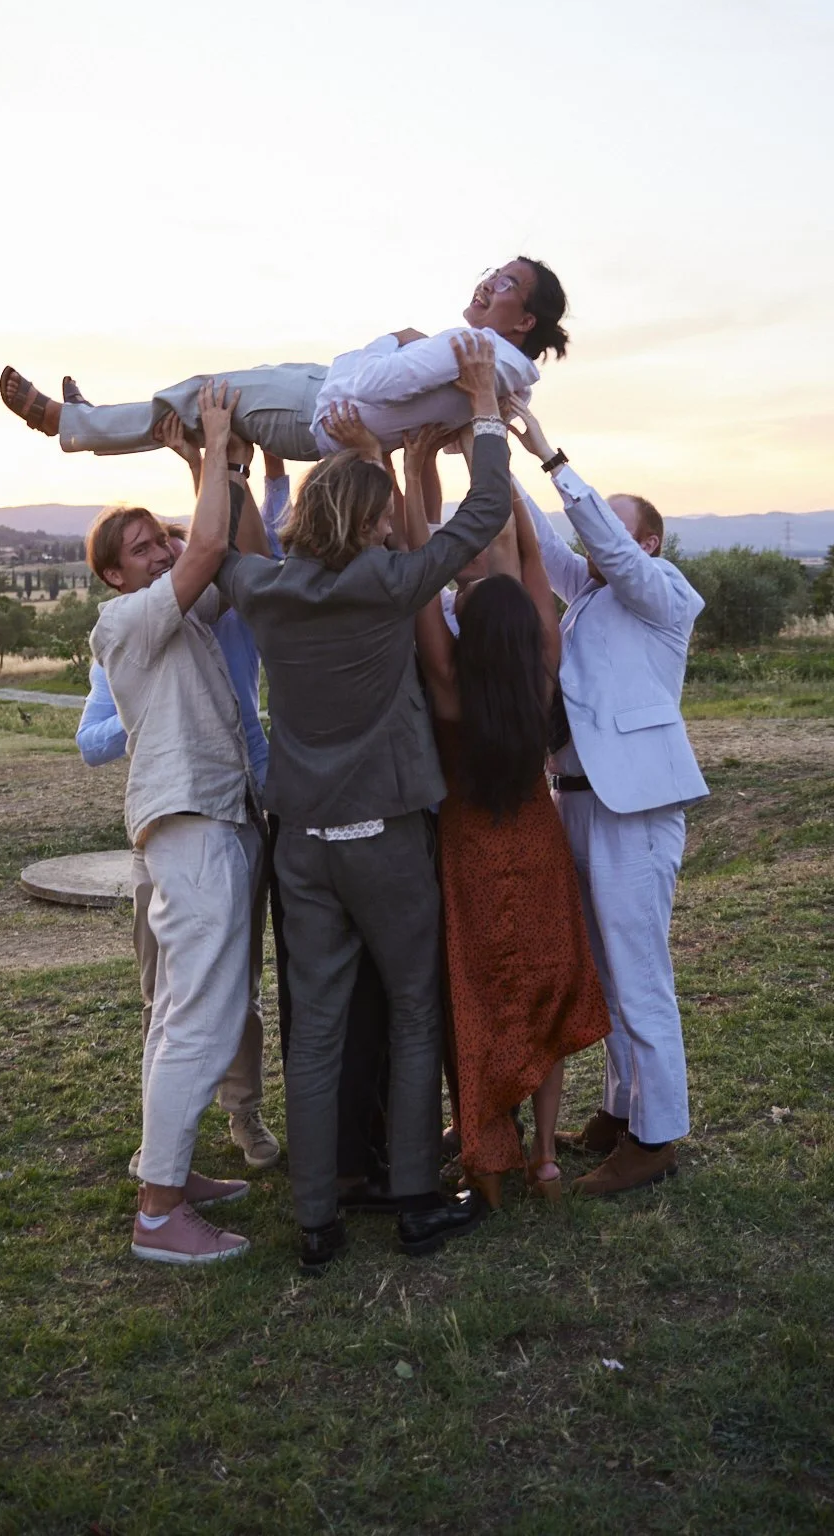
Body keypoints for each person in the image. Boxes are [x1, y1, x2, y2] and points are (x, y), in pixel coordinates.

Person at [217, 333, 513, 1271]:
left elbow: (221, 551)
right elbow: (486, 512)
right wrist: (484, 408)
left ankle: (316, 1223)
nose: (393, 530)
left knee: (321, 1025)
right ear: (371, 523)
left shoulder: (263, 591)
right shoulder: (390, 583)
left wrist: (217, 459)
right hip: (386, 837)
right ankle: (416, 1201)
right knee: (416, 1009)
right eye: (386, 517)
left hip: (302, 844)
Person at [399, 425, 609, 1207]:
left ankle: (487, 1158)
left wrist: (409, 463)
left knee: (482, 999)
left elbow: (419, 574)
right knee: (547, 999)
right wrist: (503, 477)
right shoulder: (543, 665)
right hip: (538, 841)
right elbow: (527, 568)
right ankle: (547, 1160)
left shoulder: (448, 684)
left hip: (469, 849)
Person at [510, 405, 709, 1199]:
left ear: (643, 543)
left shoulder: (663, 593)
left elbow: (601, 548)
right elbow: (540, 537)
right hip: (580, 800)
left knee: (637, 972)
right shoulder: (588, 594)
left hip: (635, 807)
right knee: (604, 966)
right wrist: (480, 443)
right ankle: (623, 1112)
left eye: (612, 535)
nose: (591, 549)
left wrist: (552, 457)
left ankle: (657, 1138)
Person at [77, 418, 283, 1176]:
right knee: (190, 1011)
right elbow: (204, 551)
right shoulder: (125, 622)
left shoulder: (185, 611)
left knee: (185, 1009)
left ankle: (173, 1166)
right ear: (115, 577)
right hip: (188, 825)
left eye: (160, 539)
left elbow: (244, 558)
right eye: (142, 549)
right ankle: (160, 1202)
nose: (161, 552)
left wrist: (221, 473)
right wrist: (215, 447)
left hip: (226, 815)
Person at [0, 258, 568, 459]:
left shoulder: (475, 349)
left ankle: (68, 422)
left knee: (197, 398)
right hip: (316, 397)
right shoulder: (508, 381)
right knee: (195, 407)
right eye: (496, 271)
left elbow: (371, 382)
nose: (490, 280)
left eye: (508, 282)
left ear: (524, 321)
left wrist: (395, 338)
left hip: (314, 410)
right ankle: (90, 422)